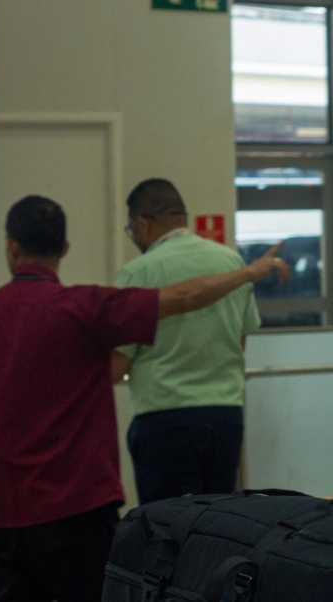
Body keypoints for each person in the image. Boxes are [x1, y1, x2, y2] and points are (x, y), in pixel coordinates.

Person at [0, 195, 289, 602]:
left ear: (11, 247)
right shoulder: (86, 309)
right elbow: (184, 297)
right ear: (65, 249)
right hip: (79, 510)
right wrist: (248, 272)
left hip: (4, 513)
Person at [112, 179, 285, 504]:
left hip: (164, 420)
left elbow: (119, 362)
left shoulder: (138, 273)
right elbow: (240, 342)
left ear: (142, 224)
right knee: (215, 528)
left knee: (166, 530)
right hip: (224, 417)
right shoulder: (232, 264)